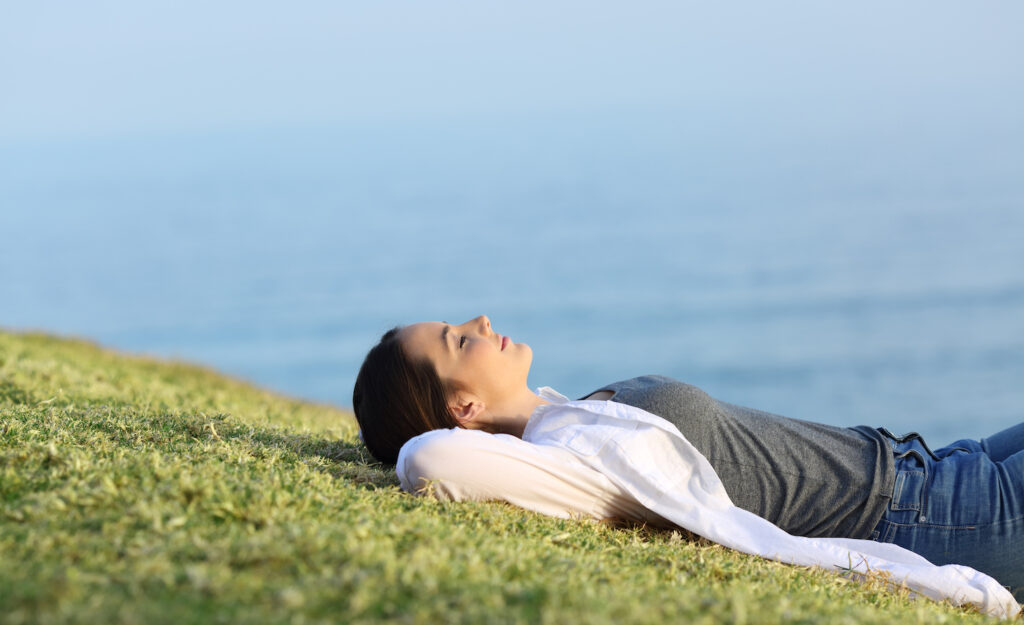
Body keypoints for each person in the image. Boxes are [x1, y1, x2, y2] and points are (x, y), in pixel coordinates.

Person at [352, 315, 1024, 613]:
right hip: (944, 518)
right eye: (458, 339)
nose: (481, 318)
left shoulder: (568, 414)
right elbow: (427, 457)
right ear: (463, 406)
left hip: (938, 463)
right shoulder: (568, 462)